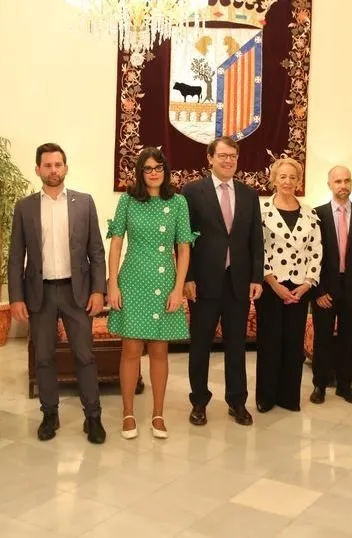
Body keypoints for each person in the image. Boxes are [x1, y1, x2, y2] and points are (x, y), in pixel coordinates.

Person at [9, 143, 107, 444]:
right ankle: (49, 413)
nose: (53, 170)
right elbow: (16, 256)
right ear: (38, 169)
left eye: (58, 164)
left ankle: (93, 416)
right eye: (47, 165)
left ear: (66, 167)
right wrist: (16, 297)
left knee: (85, 356)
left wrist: (98, 291)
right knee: (44, 358)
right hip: (40, 294)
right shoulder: (25, 207)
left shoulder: (84, 203)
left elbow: (96, 251)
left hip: (76, 293)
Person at [106, 147, 194, 439]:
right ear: (140, 173)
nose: (154, 173)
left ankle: (158, 414)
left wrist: (178, 289)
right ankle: (128, 413)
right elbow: (116, 243)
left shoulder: (178, 202)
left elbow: (183, 248)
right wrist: (113, 284)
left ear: (165, 171)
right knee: (131, 350)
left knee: (159, 350)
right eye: (148, 168)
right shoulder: (128, 201)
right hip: (132, 281)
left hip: (165, 283)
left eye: (159, 168)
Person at [182, 136, 264, 426]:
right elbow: (184, 240)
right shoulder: (192, 192)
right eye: (223, 156)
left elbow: (256, 239)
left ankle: (237, 401)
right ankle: (199, 402)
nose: (228, 160)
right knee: (200, 345)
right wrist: (187, 278)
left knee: (236, 346)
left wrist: (257, 277)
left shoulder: (249, 194)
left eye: (233, 156)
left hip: (238, 282)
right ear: (210, 158)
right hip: (203, 283)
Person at [255, 158, 322, 412]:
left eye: (292, 177)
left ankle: (288, 397)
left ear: (298, 181)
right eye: (282, 176)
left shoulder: (310, 213)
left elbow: (316, 250)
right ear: (274, 179)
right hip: (272, 286)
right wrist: (273, 283)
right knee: (270, 343)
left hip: (299, 288)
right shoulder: (262, 212)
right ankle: (266, 397)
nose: (287, 181)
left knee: (293, 346)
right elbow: (257, 250)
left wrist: (307, 284)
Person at [310, 165, 352, 406]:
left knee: (348, 338)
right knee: (322, 338)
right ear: (329, 184)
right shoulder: (316, 215)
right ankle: (320, 385)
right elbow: (311, 256)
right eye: (338, 181)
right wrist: (317, 291)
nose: (343, 185)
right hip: (325, 289)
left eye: (347, 180)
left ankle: (345, 386)